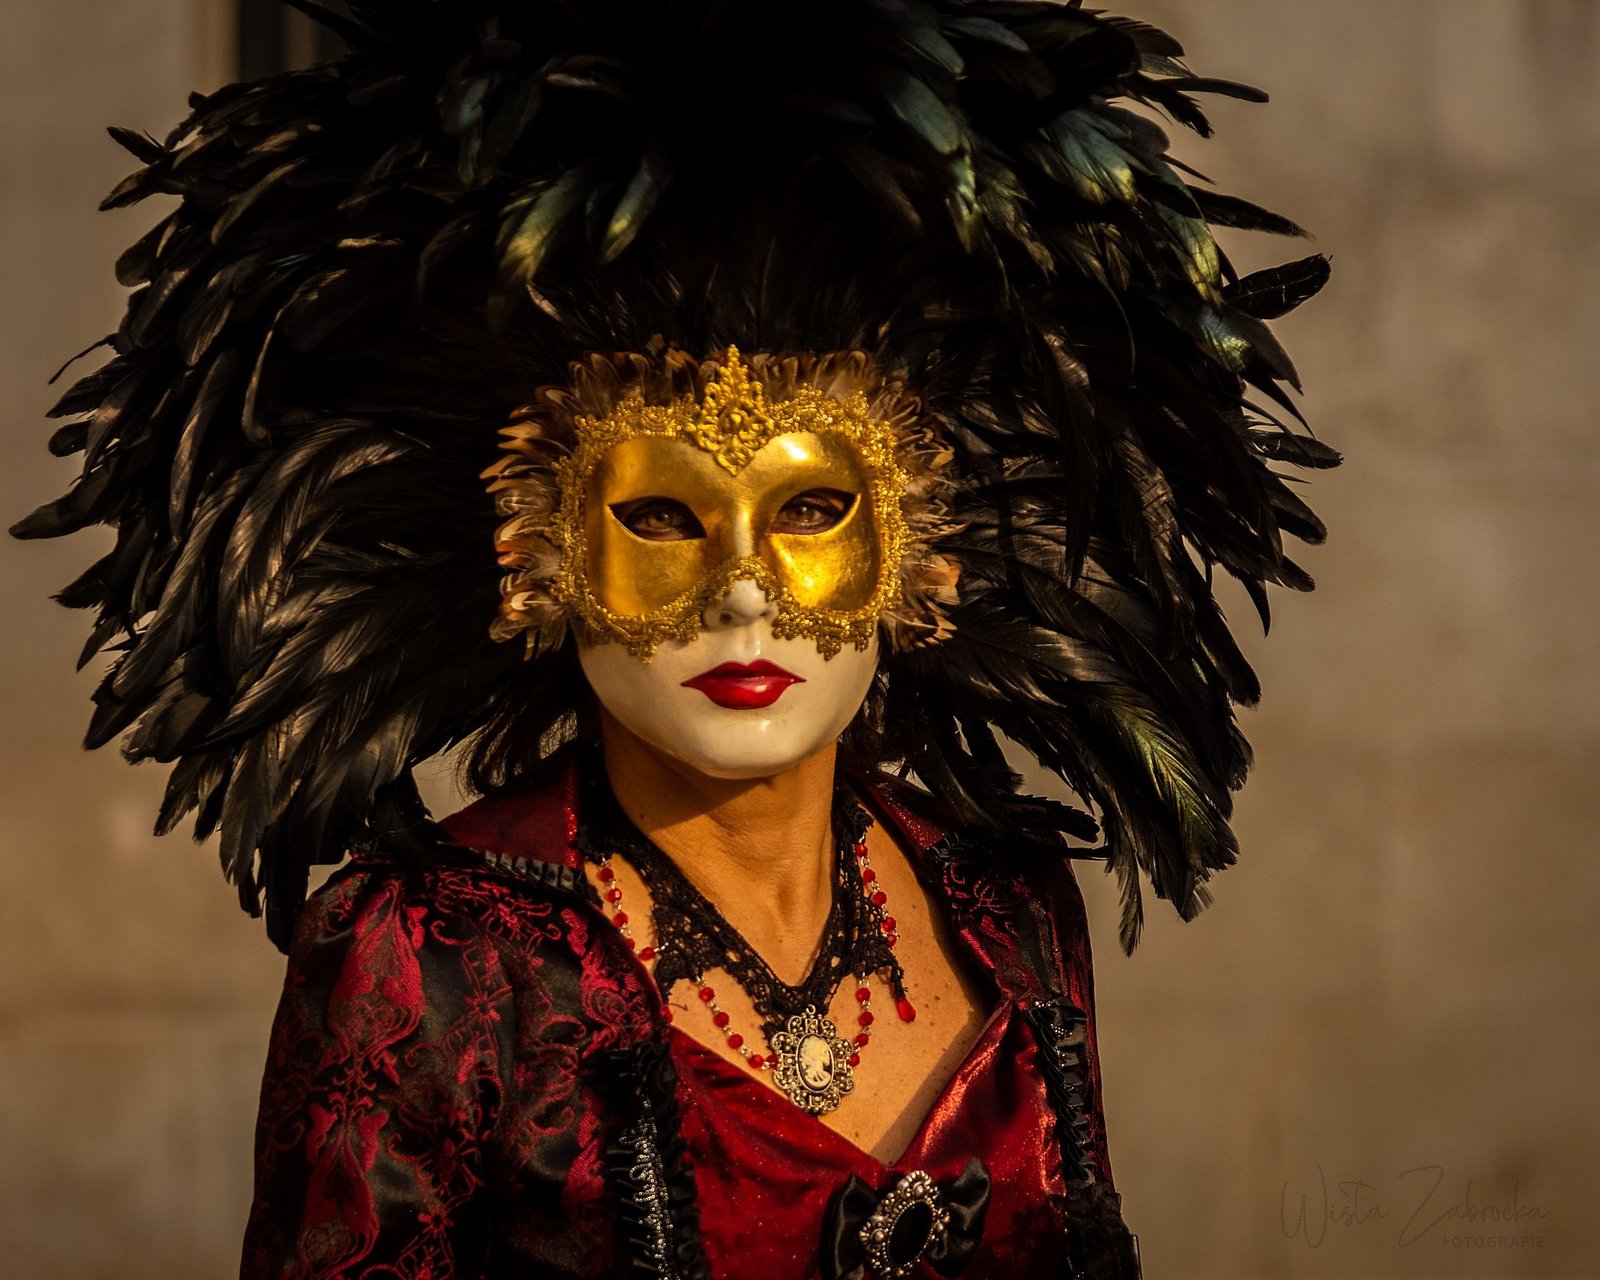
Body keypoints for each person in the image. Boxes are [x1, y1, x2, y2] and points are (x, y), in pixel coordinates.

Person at [12, 1, 1335, 1275]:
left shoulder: (1009, 907)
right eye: (660, 518)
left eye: (810, 510)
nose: (744, 595)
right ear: (536, 552)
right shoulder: (429, 958)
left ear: (918, 544)